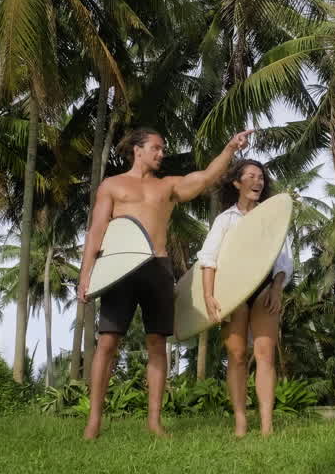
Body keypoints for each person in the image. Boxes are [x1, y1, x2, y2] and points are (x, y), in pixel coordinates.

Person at [78, 127, 252, 440]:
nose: (162, 154)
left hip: (158, 268)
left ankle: (154, 422)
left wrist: (230, 148)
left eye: (164, 149)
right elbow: (97, 230)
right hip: (121, 268)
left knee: (158, 344)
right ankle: (93, 422)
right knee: (107, 343)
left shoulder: (167, 186)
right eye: (156, 148)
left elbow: (206, 177)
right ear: (138, 150)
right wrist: (86, 274)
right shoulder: (113, 185)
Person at [199, 158, 293, 437]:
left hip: (265, 287)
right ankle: (240, 421)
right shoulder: (225, 220)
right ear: (237, 183)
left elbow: (284, 258)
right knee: (237, 355)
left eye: (261, 176)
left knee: (265, 355)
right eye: (250, 176)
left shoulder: (271, 218)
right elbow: (208, 259)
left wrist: (277, 288)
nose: (258, 181)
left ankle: (266, 425)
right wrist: (209, 296)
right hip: (232, 291)